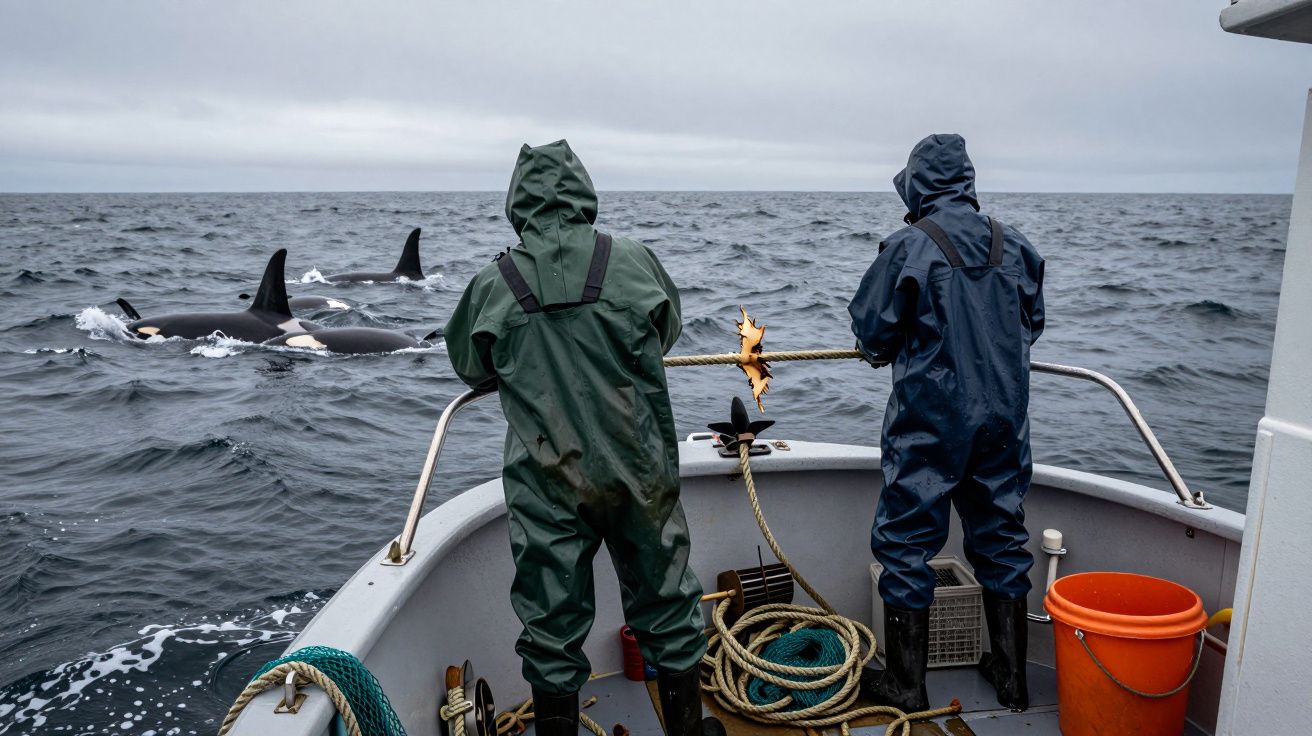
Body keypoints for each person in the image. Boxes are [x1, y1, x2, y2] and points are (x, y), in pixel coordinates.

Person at [444, 140, 723, 736]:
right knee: (669, 604)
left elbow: (470, 365)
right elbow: (665, 330)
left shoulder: (494, 283)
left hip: (547, 482)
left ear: (517, 202)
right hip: (638, 469)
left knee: (551, 624)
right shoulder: (634, 260)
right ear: (582, 192)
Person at [848, 134, 1045, 713]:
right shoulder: (1017, 246)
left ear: (915, 186)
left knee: (906, 542)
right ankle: (1014, 681)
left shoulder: (909, 247)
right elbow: (1031, 323)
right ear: (967, 180)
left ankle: (907, 685)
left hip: (931, 422)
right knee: (1004, 538)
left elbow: (872, 336)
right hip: (1004, 420)